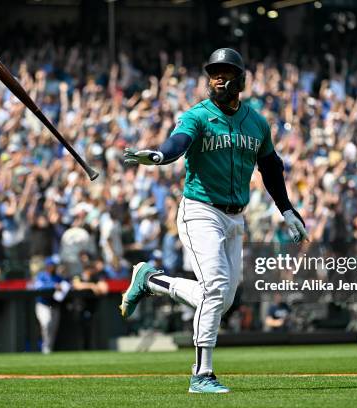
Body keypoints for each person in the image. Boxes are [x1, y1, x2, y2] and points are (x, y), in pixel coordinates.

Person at [120, 48, 308, 393]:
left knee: (222, 297)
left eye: (225, 73)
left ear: (241, 79)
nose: (218, 78)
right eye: (213, 73)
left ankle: (152, 281)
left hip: (236, 217)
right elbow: (179, 141)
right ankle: (201, 374)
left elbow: (271, 167)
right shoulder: (198, 115)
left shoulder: (256, 121)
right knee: (217, 287)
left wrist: (286, 209)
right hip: (200, 211)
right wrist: (161, 155)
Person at [34, 256, 64, 354]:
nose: (54, 267)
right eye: (52, 265)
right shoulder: (41, 275)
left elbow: (67, 284)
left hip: (54, 305)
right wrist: (53, 286)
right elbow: (38, 287)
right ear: (48, 266)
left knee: (53, 329)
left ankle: (48, 348)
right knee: (46, 324)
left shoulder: (58, 277)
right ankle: (45, 348)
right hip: (43, 304)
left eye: (54, 265)